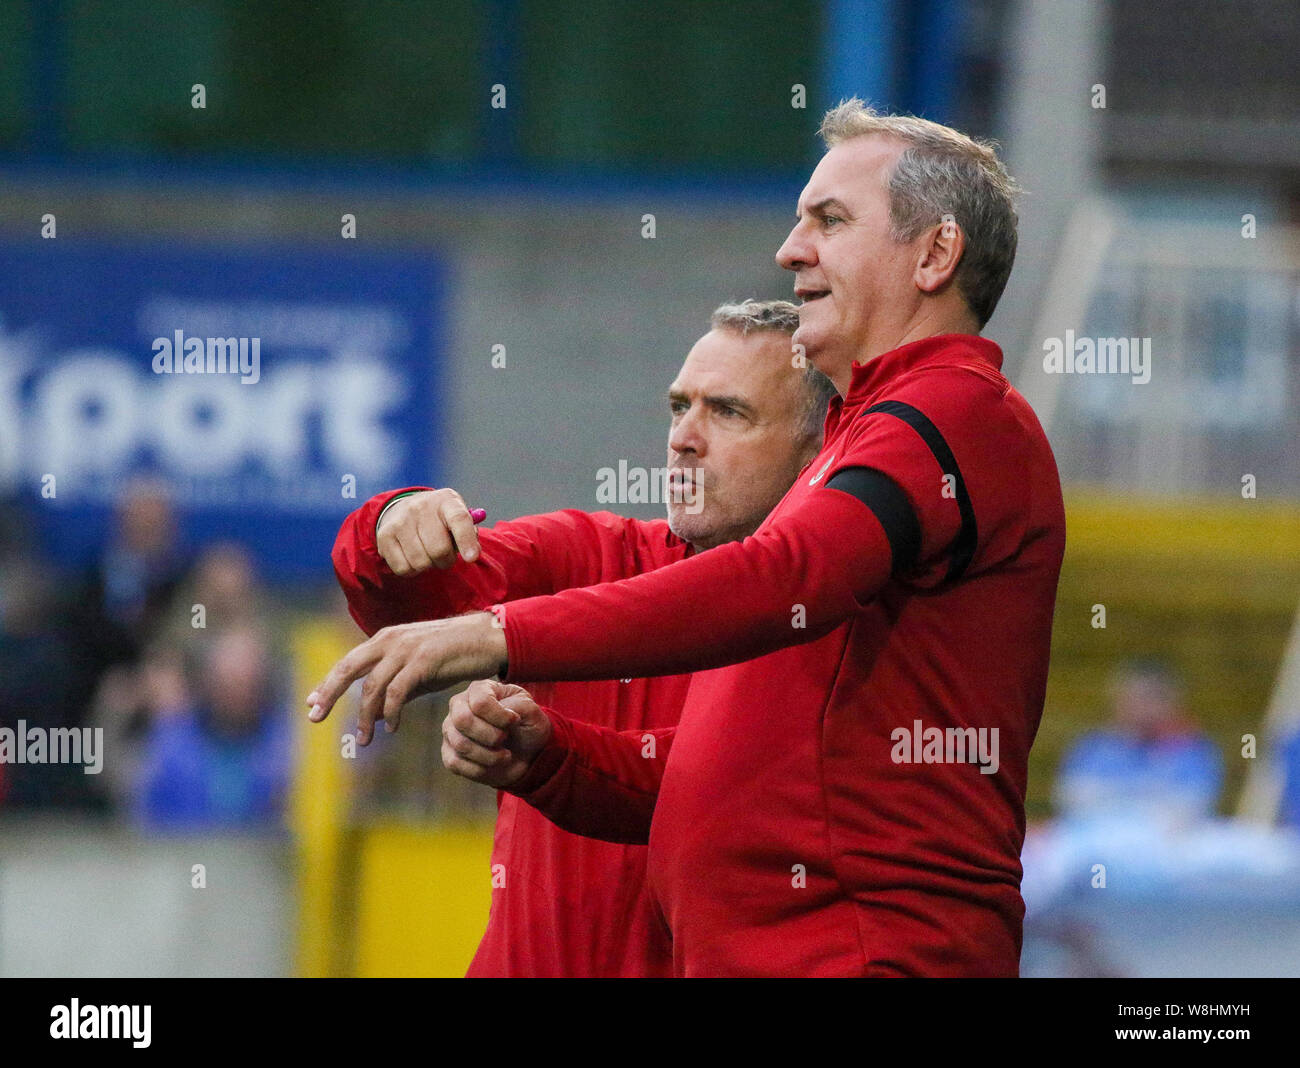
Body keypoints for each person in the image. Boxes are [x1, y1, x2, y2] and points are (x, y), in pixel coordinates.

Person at [308, 100, 1066, 977]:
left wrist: (497, 637)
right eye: (680, 406)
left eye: (830, 220)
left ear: (934, 255)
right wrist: (554, 758)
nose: (792, 250)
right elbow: (740, 774)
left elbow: (787, 574)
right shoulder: (858, 457)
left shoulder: (951, 410)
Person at [330, 300, 834, 976]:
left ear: (819, 448)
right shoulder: (590, 553)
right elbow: (414, 598)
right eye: (678, 407)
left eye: (727, 412)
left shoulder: (836, 636)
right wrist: (394, 522)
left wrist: (544, 757)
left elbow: (695, 790)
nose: (684, 436)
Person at [1055, 661, 1223, 825]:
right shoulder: (1093, 747)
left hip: (1167, 843)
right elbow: (1072, 799)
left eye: (1154, 697)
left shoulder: (1193, 750)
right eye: (1136, 697)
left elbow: (1193, 806)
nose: (1144, 707)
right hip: (1101, 839)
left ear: (1172, 703)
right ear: (1117, 699)